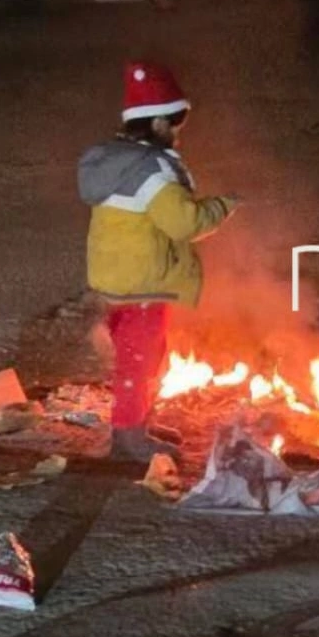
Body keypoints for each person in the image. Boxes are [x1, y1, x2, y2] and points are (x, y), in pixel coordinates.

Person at [78, 61, 241, 462]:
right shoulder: (150, 171)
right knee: (139, 361)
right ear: (157, 123)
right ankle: (128, 438)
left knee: (143, 357)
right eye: (174, 125)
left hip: (120, 279)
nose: (177, 134)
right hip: (144, 284)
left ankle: (138, 424)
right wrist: (224, 206)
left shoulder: (121, 163)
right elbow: (184, 223)